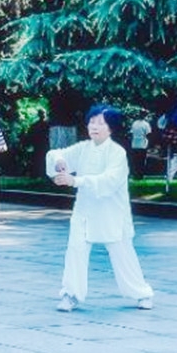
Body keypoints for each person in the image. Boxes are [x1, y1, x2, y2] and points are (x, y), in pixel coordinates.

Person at [46, 104, 154, 312]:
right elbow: (56, 154)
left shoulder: (117, 153)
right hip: (84, 211)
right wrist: (59, 162)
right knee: (75, 250)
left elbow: (109, 181)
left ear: (111, 128)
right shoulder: (83, 148)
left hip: (112, 212)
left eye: (100, 123)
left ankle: (142, 293)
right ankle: (71, 294)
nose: (94, 126)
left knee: (123, 254)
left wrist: (75, 181)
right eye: (92, 122)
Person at [26, 108, 50, 178]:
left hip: (44, 144)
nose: (43, 115)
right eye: (41, 113)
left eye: (43, 113)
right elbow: (30, 135)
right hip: (39, 145)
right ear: (39, 115)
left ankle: (43, 173)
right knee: (38, 159)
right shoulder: (36, 125)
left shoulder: (47, 124)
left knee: (43, 159)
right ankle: (38, 173)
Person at [129, 113, 152, 180]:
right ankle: (140, 175)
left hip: (134, 145)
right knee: (141, 161)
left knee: (135, 161)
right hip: (142, 145)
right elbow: (148, 134)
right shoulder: (146, 124)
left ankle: (135, 175)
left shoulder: (134, 123)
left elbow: (131, 133)